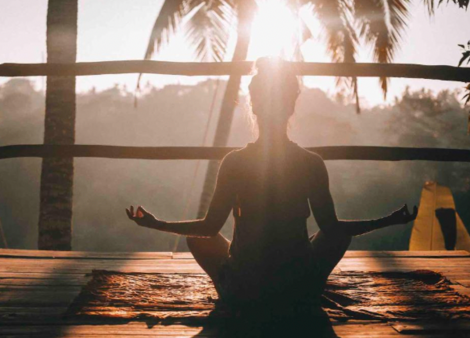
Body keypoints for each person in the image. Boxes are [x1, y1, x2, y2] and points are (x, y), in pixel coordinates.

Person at [126, 57, 417, 312]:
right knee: (336, 234)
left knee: (198, 238)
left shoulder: (235, 162)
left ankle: (230, 291)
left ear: (254, 106)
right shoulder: (310, 163)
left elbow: (209, 227)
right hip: (297, 288)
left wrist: (157, 223)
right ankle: (309, 287)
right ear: (291, 107)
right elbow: (332, 229)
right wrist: (387, 220)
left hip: (246, 289)